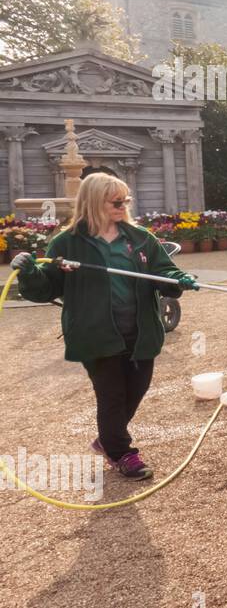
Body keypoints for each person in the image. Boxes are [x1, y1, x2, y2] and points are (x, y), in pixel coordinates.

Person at [10, 173, 198, 480]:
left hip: (141, 333)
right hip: (94, 335)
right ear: (95, 202)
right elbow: (44, 289)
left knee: (135, 391)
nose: (123, 205)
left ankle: (108, 439)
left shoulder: (141, 239)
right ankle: (122, 452)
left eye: (126, 199)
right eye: (116, 201)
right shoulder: (67, 243)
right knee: (111, 396)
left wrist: (178, 281)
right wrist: (29, 272)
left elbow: (165, 271)